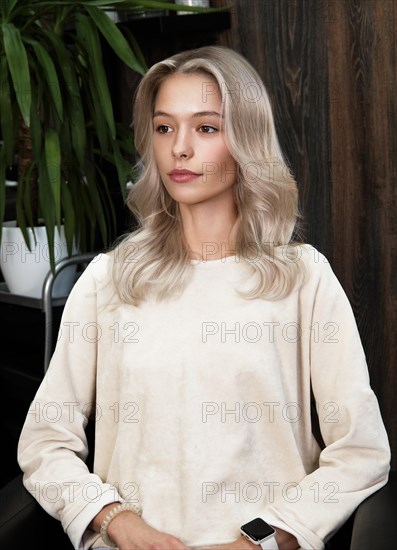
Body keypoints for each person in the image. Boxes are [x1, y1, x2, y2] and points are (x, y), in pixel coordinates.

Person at [17, 45, 390, 550]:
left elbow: (360, 451)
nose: (180, 149)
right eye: (165, 127)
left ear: (247, 140)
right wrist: (119, 524)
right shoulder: (109, 281)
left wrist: (258, 542)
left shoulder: (302, 279)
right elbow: (45, 441)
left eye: (207, 128)